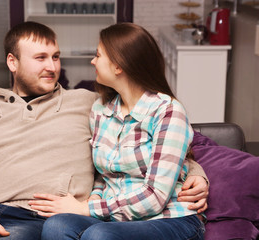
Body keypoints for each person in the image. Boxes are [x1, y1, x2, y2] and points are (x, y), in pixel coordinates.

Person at [0, 21, 207, 240]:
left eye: (55, 57)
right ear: (12, 62)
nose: (52, 67)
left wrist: (194, 173)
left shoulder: (88, 103)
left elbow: (155, 136)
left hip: (42, 219)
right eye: (40, 58)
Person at [29, 23, 206, 240]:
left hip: (168, 218)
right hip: (115, 216)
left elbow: (156, 196)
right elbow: (103, 177)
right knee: (57, 225)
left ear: (118, 66)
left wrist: (88, 209)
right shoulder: (100, 110)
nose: (92, 61)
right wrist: (92, 201)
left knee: (99, 235)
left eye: (98, 55)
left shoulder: (168, 111)